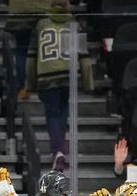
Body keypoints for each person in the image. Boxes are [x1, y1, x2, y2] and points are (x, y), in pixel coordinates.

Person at [25, 0, 92, 171]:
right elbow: (84, 56)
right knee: (62, 113)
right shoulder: (75, 25)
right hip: (69, 75)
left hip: (47, 76)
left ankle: (57, 151)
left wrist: (30, 84)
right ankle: (60, 149)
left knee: (52, 114)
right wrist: (87, 83)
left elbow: (31, 56)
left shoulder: (41, 24)